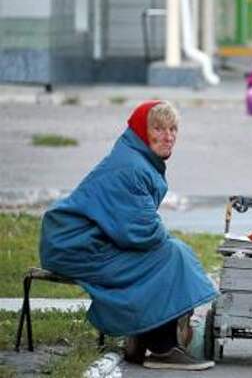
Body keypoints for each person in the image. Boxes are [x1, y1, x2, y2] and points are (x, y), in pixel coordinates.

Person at [39, 101, 218, 371]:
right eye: (158, 128)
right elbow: (140, 232)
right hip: (75, 245)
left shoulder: (137, 158)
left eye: (173, 129)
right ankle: (162, 347)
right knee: (170, 257)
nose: (168, 136)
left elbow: (134, 228)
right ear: (141, 132)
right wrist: (165, 240)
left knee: (169, 253)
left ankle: (142, 334)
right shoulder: (132, 168)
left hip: (83, 241)